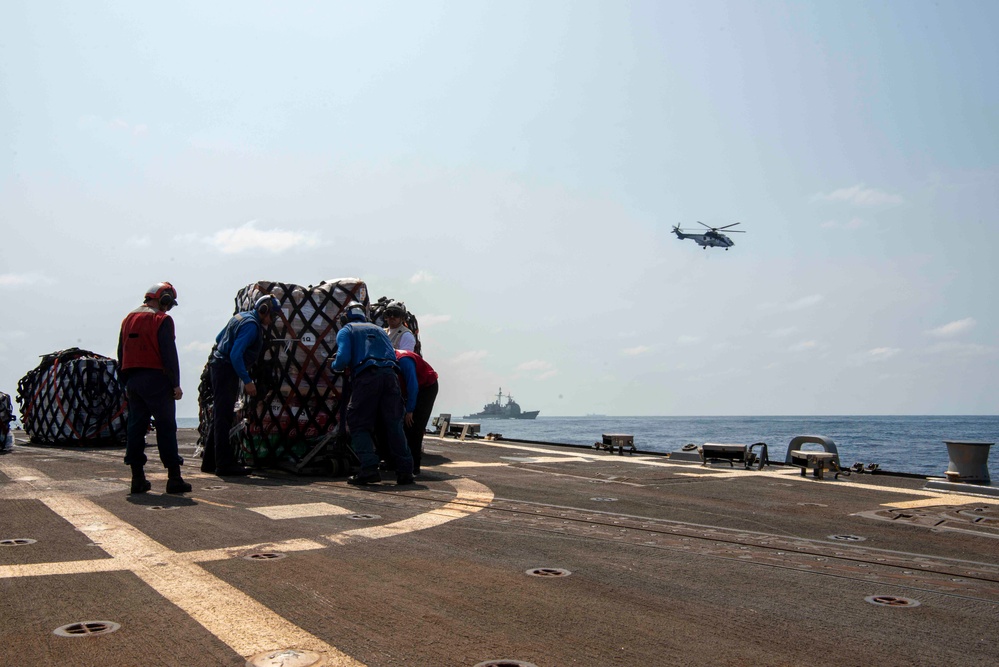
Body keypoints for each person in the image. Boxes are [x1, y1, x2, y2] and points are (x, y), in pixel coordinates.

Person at [117, 282, 190, 494]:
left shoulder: (128, 319)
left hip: (133, 381)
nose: (169, 309)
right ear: (164, 298)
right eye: (169, 304)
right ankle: (174, 478)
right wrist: (175, 384)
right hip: (157, 379)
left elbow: (121, 353)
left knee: (136, 429)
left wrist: (127, 382)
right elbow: (169, 354)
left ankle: (137, 479)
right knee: (166, 428)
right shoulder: (162, 320)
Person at [331, 301, 414, 485]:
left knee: (359, 422)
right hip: (390, 377)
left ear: (346, 317)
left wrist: (334, 365)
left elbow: (343, 357)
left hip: (367, 377)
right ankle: (405, 470)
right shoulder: (379, 330)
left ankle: (368, 468)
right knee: (394, 424)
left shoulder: (347, 330)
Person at [203, 294, 278, 476]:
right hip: (226, 369)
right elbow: (236, 355)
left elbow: (219, 336)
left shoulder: (240, 317)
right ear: (264, 310)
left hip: (219, 366)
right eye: (273, 315)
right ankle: (223, 465)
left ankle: (210, 462)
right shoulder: (252, 327)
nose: (273, 320)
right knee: (224, 417)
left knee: (219, 417)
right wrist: (247, 381)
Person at [395, 349, 439, 475]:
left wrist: (410, 410)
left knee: (414, 425)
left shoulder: (404, 360)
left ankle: (414, 465)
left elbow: (413, 386)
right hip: (408, 390)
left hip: (426, 388)